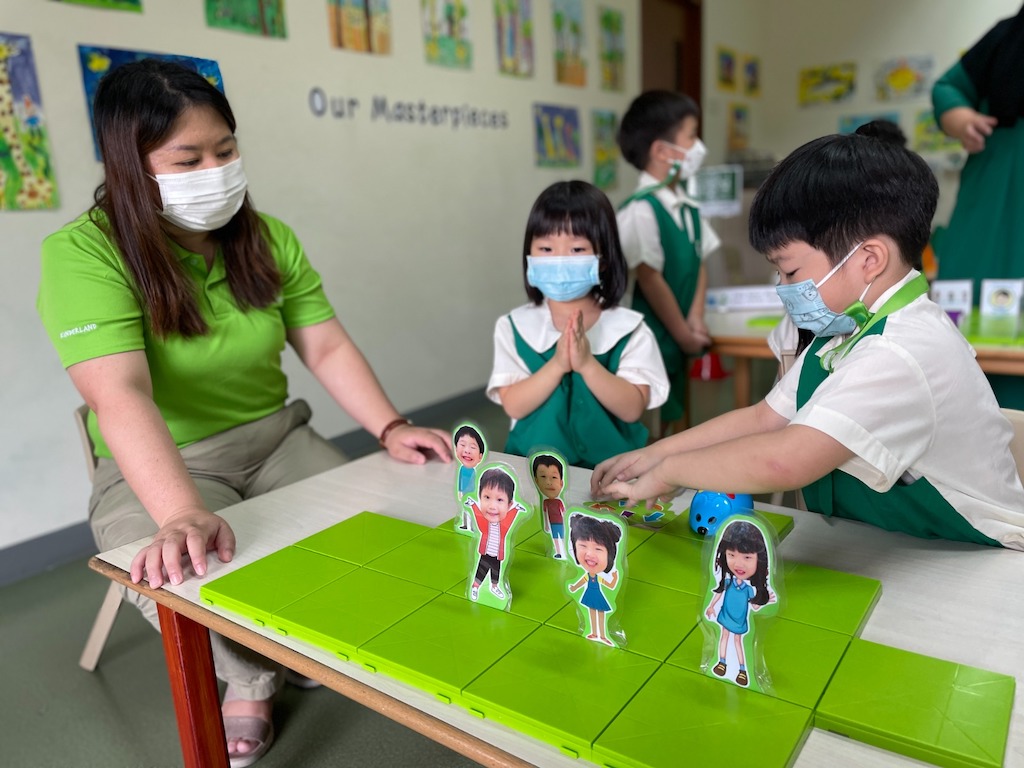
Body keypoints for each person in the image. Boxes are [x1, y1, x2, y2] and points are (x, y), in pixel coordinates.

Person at [36, 59, 451, 766]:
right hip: (167, 461)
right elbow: (121, 394)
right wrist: (180, 512)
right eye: (188, 157)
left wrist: (391, 426)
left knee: (390, 522)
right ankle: (251, 681)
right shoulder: (84, 254)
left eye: (225, 150)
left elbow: (324, 345)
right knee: (179, 565)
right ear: (130, 164)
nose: (215, 169)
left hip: (277, 439)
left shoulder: (267, 236)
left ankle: (301, 640)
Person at [592, 123, 1024, 551]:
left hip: (979, 561)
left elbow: (785, 458)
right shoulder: (847, 326)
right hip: (897, 545)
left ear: (869, 259)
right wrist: (653, 455)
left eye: (791, 270)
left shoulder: (900, 348)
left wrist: (669, 473)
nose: (782, 286)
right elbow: (765, 418)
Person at [486, 180, 669, 469]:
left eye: (576, 249)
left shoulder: (630, 329)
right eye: (546, 248)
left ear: (604, 259)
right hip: (531, 474)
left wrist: (587, 364)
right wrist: (558, 364)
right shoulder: (513, 327)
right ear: (529, 255)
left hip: (613, 473)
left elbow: (633, 408)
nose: (559, 260)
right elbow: (514, 405)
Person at [932, 6, 1024, 408]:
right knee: (968, 302)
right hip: (996, 180)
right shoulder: (1010, 35)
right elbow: (947, 88)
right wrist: (962, 118)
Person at [616, 90, 722, 435]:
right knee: (652, 424)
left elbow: (699, 262)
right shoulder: (640, 210)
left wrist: (695, 318)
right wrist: (682, 333)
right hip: (657, 337)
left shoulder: (687, 207)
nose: (698, 146)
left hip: (682, 333)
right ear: (663, 151)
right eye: (691, 136)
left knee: (676, 420)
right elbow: (650, 278)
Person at [703, 519, 773, 688]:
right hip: (725, 615)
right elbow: (718, 594)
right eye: (731, 555)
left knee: (738, 641)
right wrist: (711, 606)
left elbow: (754, 605)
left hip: (739, 619)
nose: (738, 563)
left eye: (747, 557)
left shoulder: (748, 589)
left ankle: (742, 670)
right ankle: (721, 663)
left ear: (760, 559)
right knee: (724, 636)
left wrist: (766, 602)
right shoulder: (727, 582)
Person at [465, 466, 526, 602]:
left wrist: (517, 509)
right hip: (484, 552)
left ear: (509, 504)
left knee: (496, 572)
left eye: (499, 500)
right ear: (480, 497)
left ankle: (494, 586)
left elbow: (510, 518)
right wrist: (472, 505)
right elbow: (478, 516)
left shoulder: (504, 524)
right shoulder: (484, 522)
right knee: (481, 571)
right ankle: (475, 587)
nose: (492, 506)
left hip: (498, 554)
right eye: (487, 497)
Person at [566, 512, 623, 647]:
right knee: (591, 612)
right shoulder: (588, 575)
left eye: (598, 549)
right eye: (583, 546)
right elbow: (582, 581)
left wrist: (614, 579)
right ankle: (593, 632)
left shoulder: (599, 577)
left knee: (601, 613)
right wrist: (574, 587)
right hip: (589, 595)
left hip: (598, 595)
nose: (590, 554)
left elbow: (610, 584)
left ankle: (602, 635)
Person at [531, 452, 566, 558]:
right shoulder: (545, 502)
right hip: (552, 525)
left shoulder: (559, 502)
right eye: (543, 476)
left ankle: (564, 551)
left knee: (563, 537)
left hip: (561, 524)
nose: (548, 482)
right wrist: (546, 525)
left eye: (554, 477)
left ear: (561, 482)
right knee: (555, 538)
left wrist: (567, 523)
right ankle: (559, 552)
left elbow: (564, 513)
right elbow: (545, 516)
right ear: (536, 481)